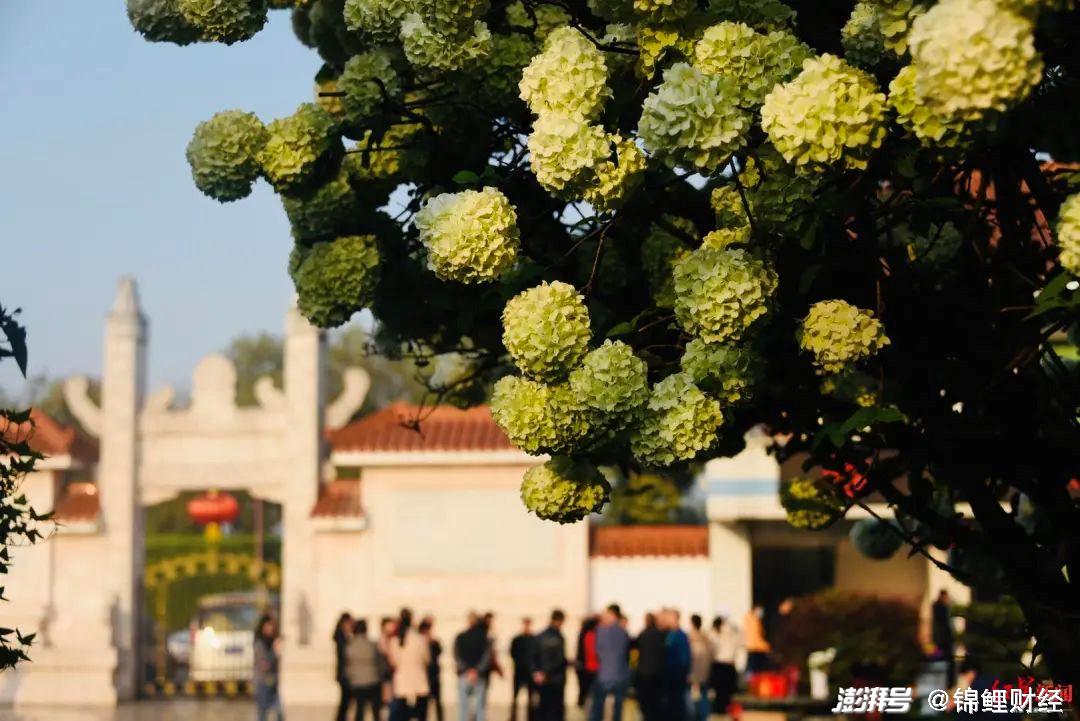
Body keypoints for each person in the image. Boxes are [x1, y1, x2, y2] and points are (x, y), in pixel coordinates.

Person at [588, 604, 630, 721]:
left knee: (597, 709)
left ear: (612, 615)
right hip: (621, 675)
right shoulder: (623, 631)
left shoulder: (602, 631)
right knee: (617, 710)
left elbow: (597, 651)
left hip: (604, 675)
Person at [388, 608, 432, 721]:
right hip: (419, 680)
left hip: (402, 682)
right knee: (421, 715)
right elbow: (427, 659)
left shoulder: (394, 640)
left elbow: (393, 662)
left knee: (402, 715)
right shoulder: (420, 639)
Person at [345, 619, 387, 721]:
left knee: (360, 710)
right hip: (372, 680)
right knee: (376, 711)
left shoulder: (350, 646)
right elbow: (380, 663)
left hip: (357, 682)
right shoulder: (372, 645)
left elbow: (347, 665)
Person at [531, 610, 568, 721]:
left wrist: (536, 672)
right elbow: (559, 660)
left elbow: (532, 657)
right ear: (559, 621)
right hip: (555, 680)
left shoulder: (539, 636)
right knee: (555, 712)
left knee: (543, 710)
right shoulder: (558, 637)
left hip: (543, 679)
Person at [454, 612, 492, 721]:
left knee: (463, 708)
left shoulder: (460, 637)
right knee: (480, 708)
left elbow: (457, 656)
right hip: (479, 676)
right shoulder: (485, 638)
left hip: (464, 675)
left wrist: (467, 670)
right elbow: (486, 657)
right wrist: (476, 670)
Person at [633, 613, 666, 721]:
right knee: (655, 703)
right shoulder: (661, 635)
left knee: (645, 703)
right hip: (657, 675)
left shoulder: (643, 634)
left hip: (644, 674)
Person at [661, 609, 690, 721]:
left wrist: (681, 673)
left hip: (676, 676)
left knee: (677, 704)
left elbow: (684, 659)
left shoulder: (680, 636)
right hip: (671, 675)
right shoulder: (669, 634)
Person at [254, 613, 284, 721]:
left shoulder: (274, 641)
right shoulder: (260, 644)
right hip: (262, 684)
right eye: (268, 625)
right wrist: (275, 652)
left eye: (271, 625)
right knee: (263, 715)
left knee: (279, 713)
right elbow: (263, 664)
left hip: (273, 684)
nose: (270, 628)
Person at [708, 616, 738, 715]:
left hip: (721, 665)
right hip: (726, 664)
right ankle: (723, 708)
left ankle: (720, 708)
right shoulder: (730, 634)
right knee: (724, 691)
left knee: (721, 690)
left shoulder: (715, 635)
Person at [688, 615, 716, 721]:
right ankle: (703, 716)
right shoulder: (706, 638)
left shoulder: (690, 637)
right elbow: (712, 654)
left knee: (690, 693)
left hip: (692, 671)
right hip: (704, 671)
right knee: (704, 693)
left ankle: (693, 715)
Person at [509, 617, 536, 721]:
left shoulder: (534, 639)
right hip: (519, 671)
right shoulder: (517, 639)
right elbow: (513, 653)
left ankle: (531, 717)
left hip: (529, 672)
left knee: (531, 697)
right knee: (515, 696)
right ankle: (513, 717)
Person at [421, 617, 444, 721]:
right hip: (424, 676)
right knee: (424, 703)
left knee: (437, 702)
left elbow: (439, 651)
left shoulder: (434, 642)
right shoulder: (419, 642)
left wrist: (432, 641)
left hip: (434, 675)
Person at [575, 616, 599, 709]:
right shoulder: (590, 635)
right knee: (588, 695)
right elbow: (592, 653)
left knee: (583, 693)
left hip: (585, 668)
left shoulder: (583, 633)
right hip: (590, 669)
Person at [932, 590, 956, 686]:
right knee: (945, 660)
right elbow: (946, 624)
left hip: (941, 639)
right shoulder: (942, 608)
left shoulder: (938, 607)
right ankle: (947, 682)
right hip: (943, 640)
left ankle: (944, 681)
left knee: (941, 660)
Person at [335, 613, 355, 721]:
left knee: (346, 701)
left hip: (345, 673)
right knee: (345, 701)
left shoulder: (342, 637)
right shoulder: (341, 638)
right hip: (344, 673)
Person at [742, 606, 771, 674]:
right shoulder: (754, 620)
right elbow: (757, 635)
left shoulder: (752, 619)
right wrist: (766, 646)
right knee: (755, 668)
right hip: (756, 647)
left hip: (754, 647)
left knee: (752, 667)